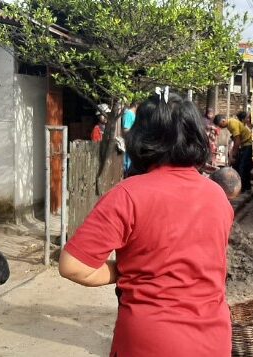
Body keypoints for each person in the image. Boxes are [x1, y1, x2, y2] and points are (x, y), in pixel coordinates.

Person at [59, 93, 233, 357]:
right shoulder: (217, 195)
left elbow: (73, 266)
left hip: (150, 341)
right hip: (213, 338)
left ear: (142, 137)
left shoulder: (128, 195)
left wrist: (126, 270)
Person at [214, 114, 253, 193]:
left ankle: (241, 189)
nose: (220, 127)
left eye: (220, 125)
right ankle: (247, 187)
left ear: (223, 121)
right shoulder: (230, 124)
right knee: (245, 167)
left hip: (247, 144)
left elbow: (237, 141)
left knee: (242, 167)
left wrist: (233, 155)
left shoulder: (232, 124)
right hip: (245, 144)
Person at [123, 102, 138, 174]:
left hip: (134, 142)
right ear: (136, 104)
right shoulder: (129, 113)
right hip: (130, 141)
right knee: (128, 163)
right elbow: (126, 129)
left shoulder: (134, 114)